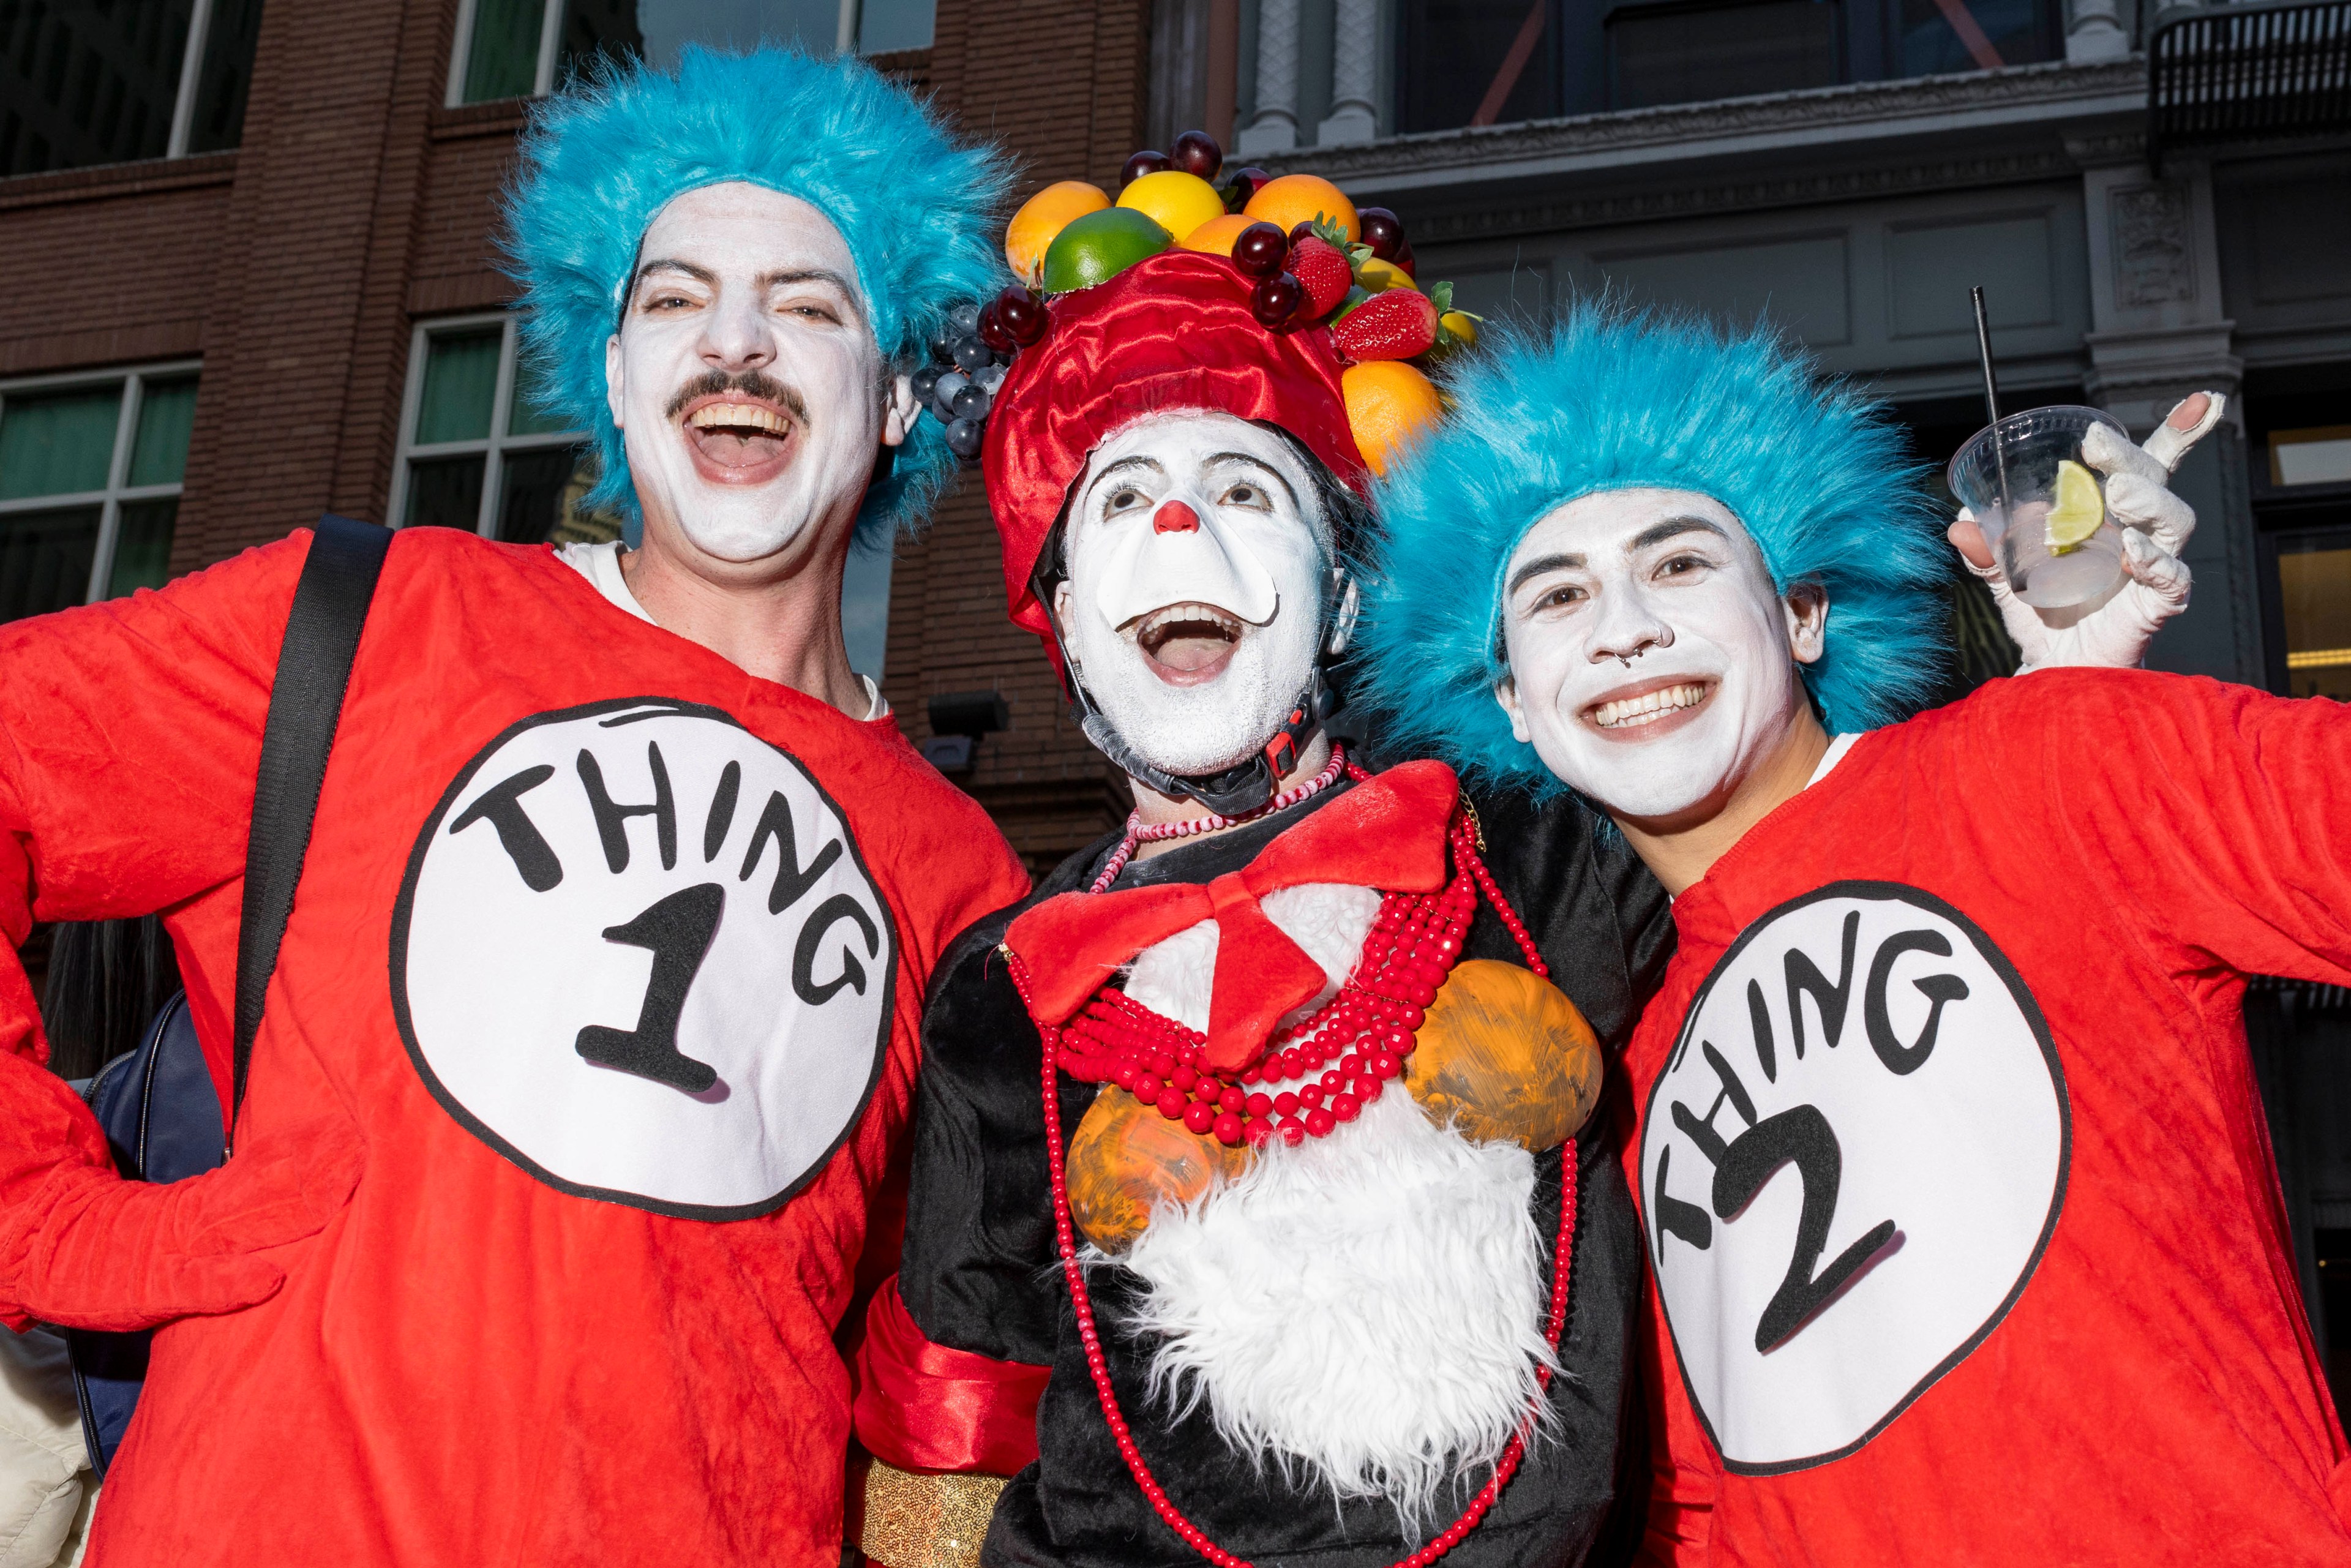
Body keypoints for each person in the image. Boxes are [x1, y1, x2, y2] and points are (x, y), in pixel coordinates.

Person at [0, 47, 1024, 1565]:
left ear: (894, 401)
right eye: (673, 300)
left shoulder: (967, 876)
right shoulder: (366, 622)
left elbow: (923, 1367)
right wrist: (48, 1210)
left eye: (810, 307)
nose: (734, 342)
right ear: (612, 377)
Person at [1357, 306, 2351, 1564]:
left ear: (1806, 615)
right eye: (1557, 597)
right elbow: (1704, 1498)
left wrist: (2098, 720)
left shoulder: (2046, 764)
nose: (1624, 629)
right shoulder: (1601, 1054)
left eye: (1677, 566)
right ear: (1510, 702)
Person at [847, 168, 1675, 1567]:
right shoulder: (1004, 982)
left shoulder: (1531, 843)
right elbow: (960, 1384)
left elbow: (1796, 912)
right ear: (1059, 616)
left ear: (1343, 583)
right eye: (1121, 505)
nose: (1182, 530)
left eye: (1243, 487)